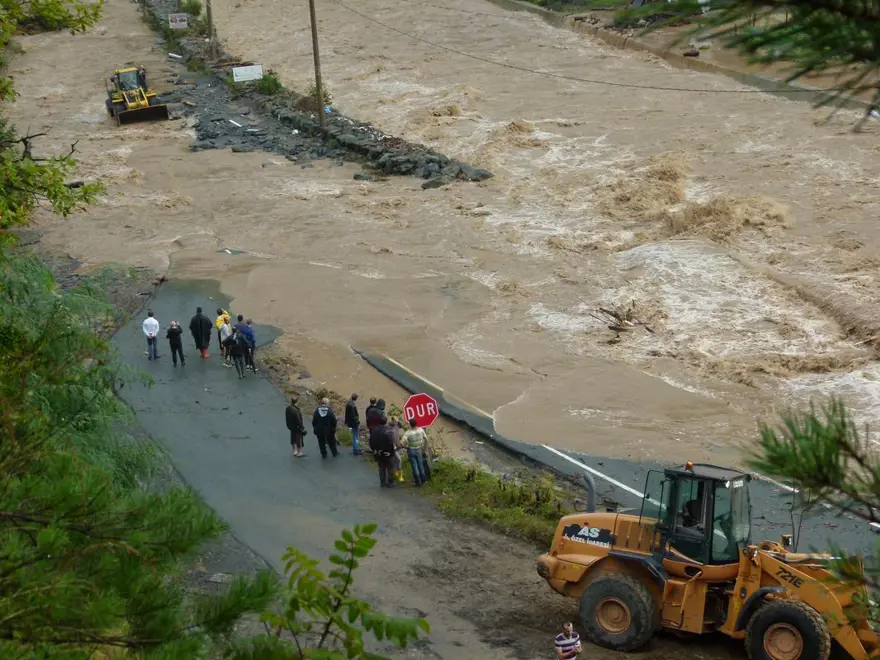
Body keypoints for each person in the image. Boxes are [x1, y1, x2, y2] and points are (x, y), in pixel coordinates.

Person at [368, 412, 396, 488]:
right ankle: (390, 482)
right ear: (386, 422)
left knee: (381, 467)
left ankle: (382, 482)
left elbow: (371, 442)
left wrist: (374, 450)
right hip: (388, 453)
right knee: (390, 467)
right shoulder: (388, 431)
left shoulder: (374, 431)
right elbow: (392, 441)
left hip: (378, 453)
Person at [401, 418, 428, 486]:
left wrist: (405, 446)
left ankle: (417, 481)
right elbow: (426, 439)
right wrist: (424, 449)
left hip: (411, 450)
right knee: (420, 465)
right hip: (419, 449)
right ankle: (424, 480)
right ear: (416, 423)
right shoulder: (421, 430)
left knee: (414, 466)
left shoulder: (408, 433)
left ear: (410, 424)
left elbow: (401, 443)